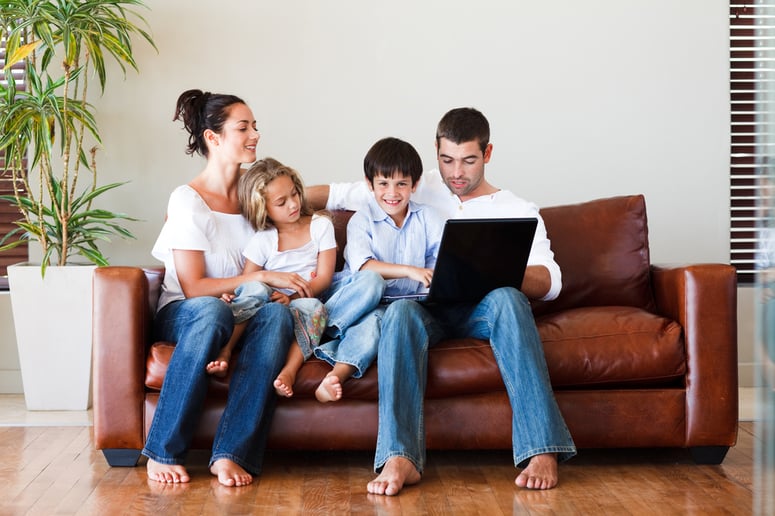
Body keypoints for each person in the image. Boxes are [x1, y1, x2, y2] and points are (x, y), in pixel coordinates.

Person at [308, 107, 577, 495]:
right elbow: (336, 193)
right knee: (398, 312)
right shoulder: (415, 184)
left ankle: (541, 449)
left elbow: (551, 282)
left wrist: (493, 269)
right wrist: (274, 201)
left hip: (480, 308)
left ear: (487, 154)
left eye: (468, 161)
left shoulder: (517, 209)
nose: (456, 173)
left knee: (508, 298)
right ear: (435, 151)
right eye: (447, 159)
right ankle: (400, 456)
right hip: (423, 308)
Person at [144, 89, 298, 487]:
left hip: (240, 312)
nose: (255, 135)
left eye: (255, 127)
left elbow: (301, 199)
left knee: (279, 314)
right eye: (243, 127)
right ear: (213, 138)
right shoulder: (188, 201)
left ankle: (231, 453)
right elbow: (194, 287)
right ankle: (162, 450)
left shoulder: (255, 194)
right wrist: (258, 277)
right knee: (212, 311)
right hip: (188, 312)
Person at [313, 137, 445, 401]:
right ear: (369, 184)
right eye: (383, 184)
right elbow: (364, 266)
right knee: (373, 280)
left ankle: (334, 377)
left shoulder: (428, 218)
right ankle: (321, 325)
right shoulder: (361, 220)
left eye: (401, 184)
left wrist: (432, 281)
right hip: (354, 298)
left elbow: (438, 268)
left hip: (389, 308)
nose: (392, 193)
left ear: (414, 185)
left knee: (374, 323)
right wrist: (410, 270)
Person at [205, 157, 335, 395]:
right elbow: (248, 281)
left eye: (294, 194)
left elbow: (324, 278)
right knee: (255, 288)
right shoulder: (262, 240)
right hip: (267, 310)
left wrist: (293, 298)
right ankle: (226, 350)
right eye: (281, 202)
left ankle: (290, 370)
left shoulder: (321, 226)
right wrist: (231, 296)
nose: (293, 204)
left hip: (303, 304)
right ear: (263, 209)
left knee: (315, 307)